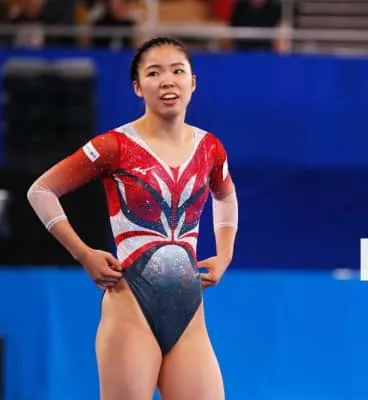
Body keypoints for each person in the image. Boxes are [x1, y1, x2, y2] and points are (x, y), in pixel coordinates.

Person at [27, 36, 238, 400]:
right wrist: (83, 253)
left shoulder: (210, 148)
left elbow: (226, 196)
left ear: (193, 82)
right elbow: (41, 191)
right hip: (131, 308)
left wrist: (225, 255)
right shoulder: (115, 146)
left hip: (189, 316)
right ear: (138, 87)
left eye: (178, 71)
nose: (168, 80)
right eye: (154, 73)